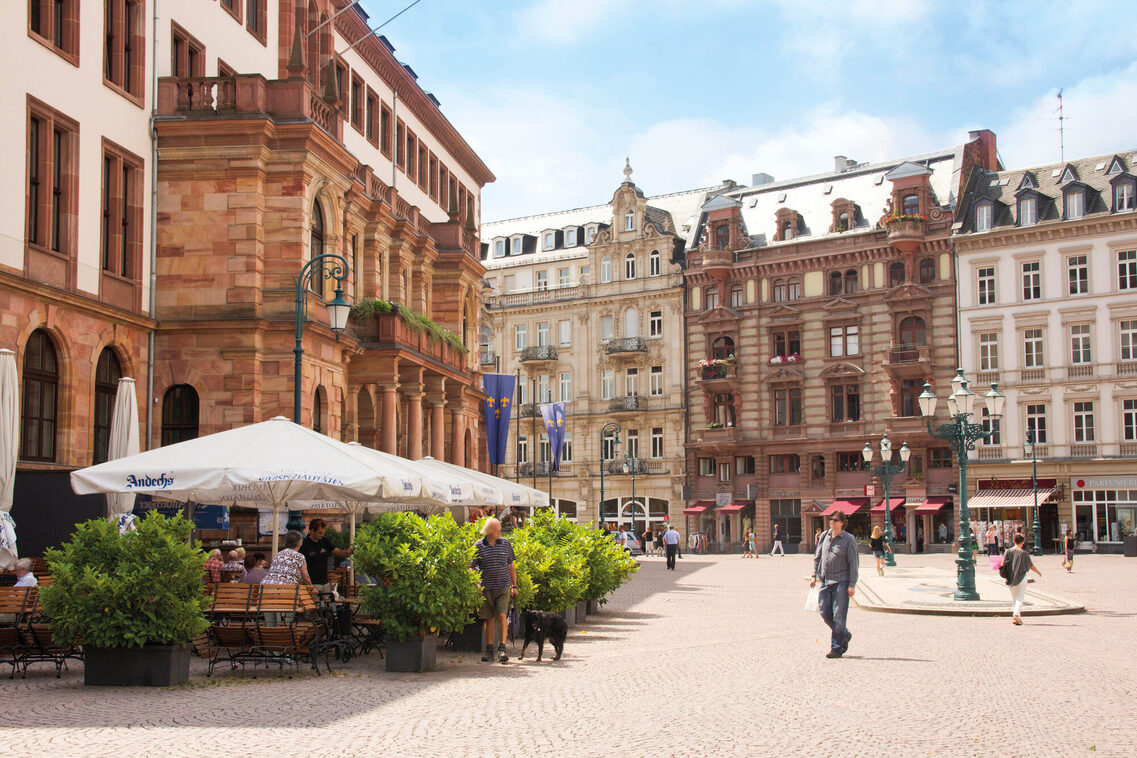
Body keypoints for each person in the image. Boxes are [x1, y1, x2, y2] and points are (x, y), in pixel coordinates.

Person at [810, 511, 859, 659]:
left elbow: (854, 562)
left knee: (839, 615)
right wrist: (814, 575)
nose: (832, 522)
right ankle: (845, 633)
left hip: (841, 581)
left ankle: (836, 649)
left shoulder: (848, 539)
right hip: (825, 580)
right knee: (824, 612)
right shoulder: (824, 536)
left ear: (842, 523)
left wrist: (852, 584)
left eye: (835, 520)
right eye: (831, 519)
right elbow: (817, 556)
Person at [470, 517, 517, 663]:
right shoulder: (478, 546)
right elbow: (472, 567)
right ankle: (489, 649)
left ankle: (502, 649)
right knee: (489, 619)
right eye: (497, 530)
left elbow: (511, 566)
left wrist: (514, 586)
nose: (500, 532)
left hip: (503, 586)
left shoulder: (505, 544)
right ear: (489, 531)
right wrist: (476, 582)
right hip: (486, 587)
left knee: (502, 616)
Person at [300, 518, 353, 594]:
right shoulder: (304, 544)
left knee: (328, 604)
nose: (322, 535)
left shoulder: (324, 541)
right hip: (312, 583)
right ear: (312, 531)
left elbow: (339, 552)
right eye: (320, 533)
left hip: (325, 582)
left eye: (323, 533)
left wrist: (349, 552)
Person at [1003, 533, 1041, 625]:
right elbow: (1030, 565)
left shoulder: (1008, 551)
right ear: (1023, 542)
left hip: (1010, 578)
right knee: (1019, 598)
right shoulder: (1023, 553)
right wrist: (1038, 572)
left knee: (1014, 599)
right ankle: (1016, 615)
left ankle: (1017, 618)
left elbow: (1003, 564)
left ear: (1014, 541)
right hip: (1021, 578)